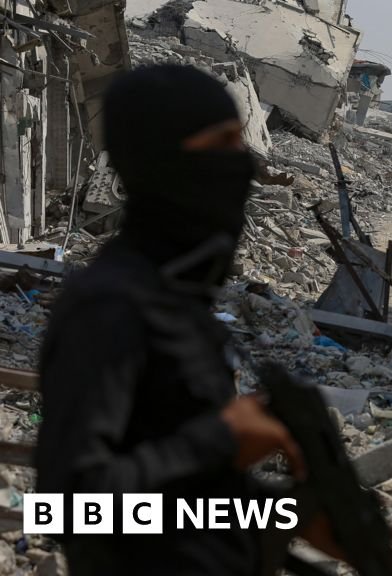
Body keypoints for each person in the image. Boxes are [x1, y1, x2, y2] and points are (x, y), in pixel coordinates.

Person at [35, 65, 359, 575]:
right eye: (222, 144)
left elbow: (188, 500)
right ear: (165, 161)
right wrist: (224, 437)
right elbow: (70, 509)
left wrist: (292, 517)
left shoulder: (176, 298)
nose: (241, 166)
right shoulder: (109, 307)